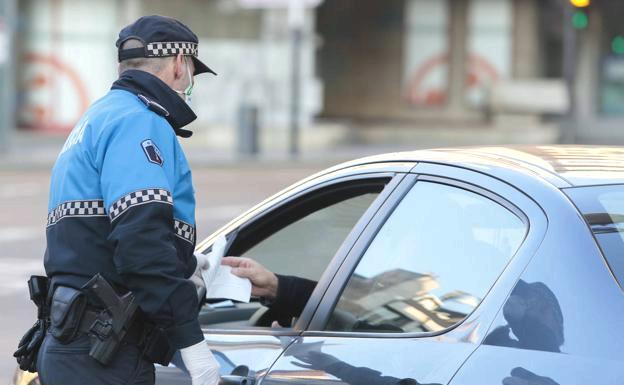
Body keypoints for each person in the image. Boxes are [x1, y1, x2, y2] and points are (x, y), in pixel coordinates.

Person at [35, 15, 220, 385]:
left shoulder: (96, 119)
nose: (190, 83)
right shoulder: (140, 122)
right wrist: (191, 343)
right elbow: (141, 242)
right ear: (180, 64)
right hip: (104, 353)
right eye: (193, 73)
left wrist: (186, 260)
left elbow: (95, 235)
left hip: (73, 344)